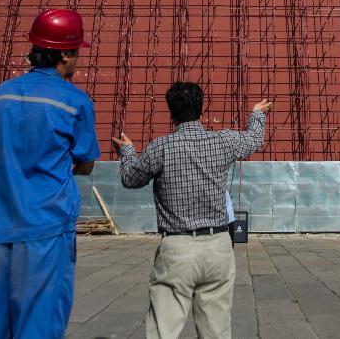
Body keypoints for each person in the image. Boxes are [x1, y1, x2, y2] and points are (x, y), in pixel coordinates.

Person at [0, 9, 100, 339]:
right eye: (76, 52)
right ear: (64, 54)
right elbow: (86, 163)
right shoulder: (74, 101)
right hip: (45, 229)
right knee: (39, 323)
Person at [112, 82, 272, 339]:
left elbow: (131, 178)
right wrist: (256, 114)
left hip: (177, 248)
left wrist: (128, 151)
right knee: (216, 332)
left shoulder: (159, 147)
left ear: (171, 114)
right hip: (219, 246)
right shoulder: (225, 141)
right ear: (201, 110)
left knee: (163, 331)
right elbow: (254, 140)